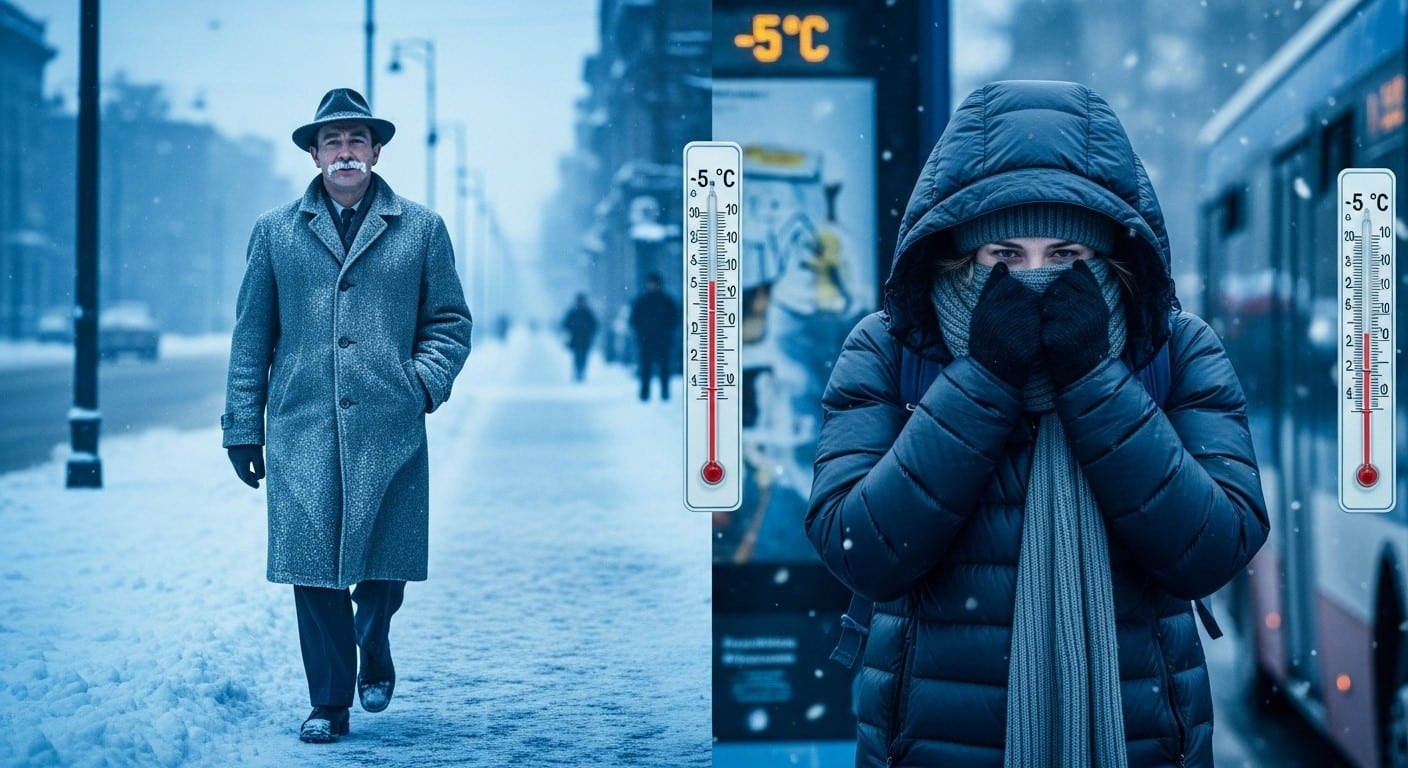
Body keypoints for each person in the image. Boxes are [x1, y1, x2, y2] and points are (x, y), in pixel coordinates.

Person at [804, 80, 1269, 767]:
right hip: (935, 741)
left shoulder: (1175, 348)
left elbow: (1214, 547)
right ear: (960, 254)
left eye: (1065, 256)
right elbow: (859, 549)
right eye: (1004, 256)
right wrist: (982, 381)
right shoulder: (890, 347)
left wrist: (1094, 383)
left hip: (1140, 735)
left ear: (1108, 257)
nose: (1034, 278)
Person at [221, 87, 472, 744]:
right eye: (331, 141)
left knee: (382, 564)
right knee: (313, 567)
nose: (345, 152)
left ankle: (375, 638)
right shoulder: (275, 232)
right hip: (302, 427)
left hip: (389, 426)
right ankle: (330, 701)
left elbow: (448, 322)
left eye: (356, 140)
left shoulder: (421, 228)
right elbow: (252, 334)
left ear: (376, 150)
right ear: (314, 154)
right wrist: (243, 426)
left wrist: (419, 384)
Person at [629, 271, 679, 401]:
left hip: (662, 340)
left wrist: (667, 332)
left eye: (655, 283)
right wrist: (641, 333)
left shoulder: (666, 301)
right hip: (647, 340)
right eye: (651, 283)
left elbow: (674, 318)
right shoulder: (642, 301)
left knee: (664, 368)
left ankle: (664, 393)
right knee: (646, 367)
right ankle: (645, 393)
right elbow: (634, 320)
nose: (653, 285)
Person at [561, 292, 599, 381]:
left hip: (585, 338)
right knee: (577, 355)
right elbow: (565, 324)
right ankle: (578, 372)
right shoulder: (573, 312)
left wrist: (589, 331)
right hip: (576, 338)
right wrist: (572, 329)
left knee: (584, 356)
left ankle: (581, 372)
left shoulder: (587, 312)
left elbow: (594, 325)